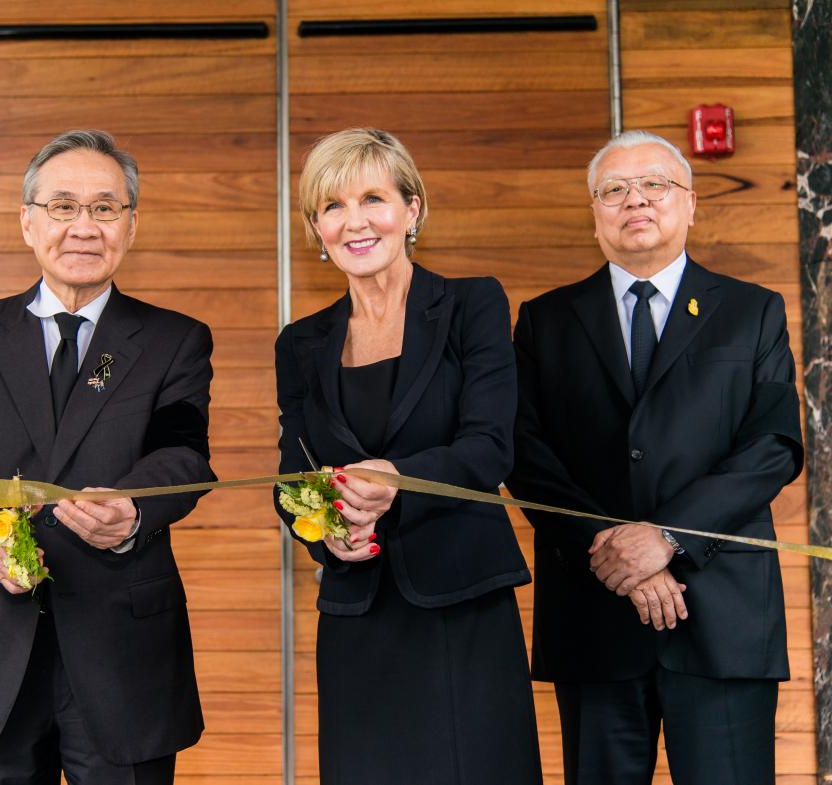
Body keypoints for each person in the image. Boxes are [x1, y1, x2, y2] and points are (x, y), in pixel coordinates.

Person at [0, 129, 214, 784]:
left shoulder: (175, 340)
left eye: (105, 208)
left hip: (122, 653)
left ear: (130, 224)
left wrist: (132, 510)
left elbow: (183, 455)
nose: (84, 226)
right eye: (63, 206)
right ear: (27, 221)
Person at [507, 130, 803, 785]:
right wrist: (618, 553)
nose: (634, 199)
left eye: (654, 185)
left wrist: (667, 537)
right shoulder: (545, 321)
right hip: (594, 614)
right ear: (595, 213)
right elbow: (527, 458)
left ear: (691, 205)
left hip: (722, 617)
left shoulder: (752, 312)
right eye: (613, 189)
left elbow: (772, 447)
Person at [274, 128, 541, 785]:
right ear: (315, 225)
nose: (354, 221)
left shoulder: (470, 305)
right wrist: (328, 532)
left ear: (412, 208)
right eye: (332, 206)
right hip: (358, 616)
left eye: (373, 198)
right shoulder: (300, 342)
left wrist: (398, 480)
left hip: (462, 604)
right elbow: (291, 479)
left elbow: (489, 447)